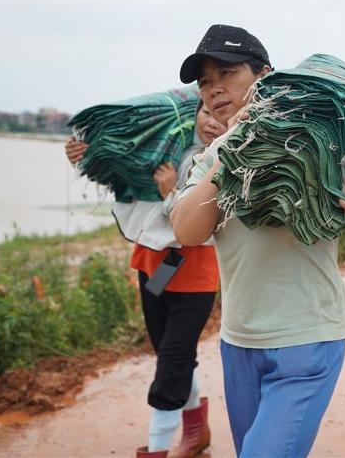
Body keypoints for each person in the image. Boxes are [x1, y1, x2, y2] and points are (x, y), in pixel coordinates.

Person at [170, 24, 345, 457]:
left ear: (265, 75)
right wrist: (236, 147)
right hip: (239, 342)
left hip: (307, 338)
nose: (215, 89)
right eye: (205, 83)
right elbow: (187, 230)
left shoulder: (311, 137)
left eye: (227, 73)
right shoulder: (211, 156)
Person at [66, 101, 225, 458]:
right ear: (193, 114)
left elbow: (203, 226)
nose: (212, 123)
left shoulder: (222, 160)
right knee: (171, 356)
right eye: (205, 113)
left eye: (220, 117)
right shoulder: (163, 146)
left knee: (171, 363)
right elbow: (117, 168)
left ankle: (156, 450)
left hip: (195, 274)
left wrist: (171, 192)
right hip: (152, 266)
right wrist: (81, 154)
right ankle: (196, 429)